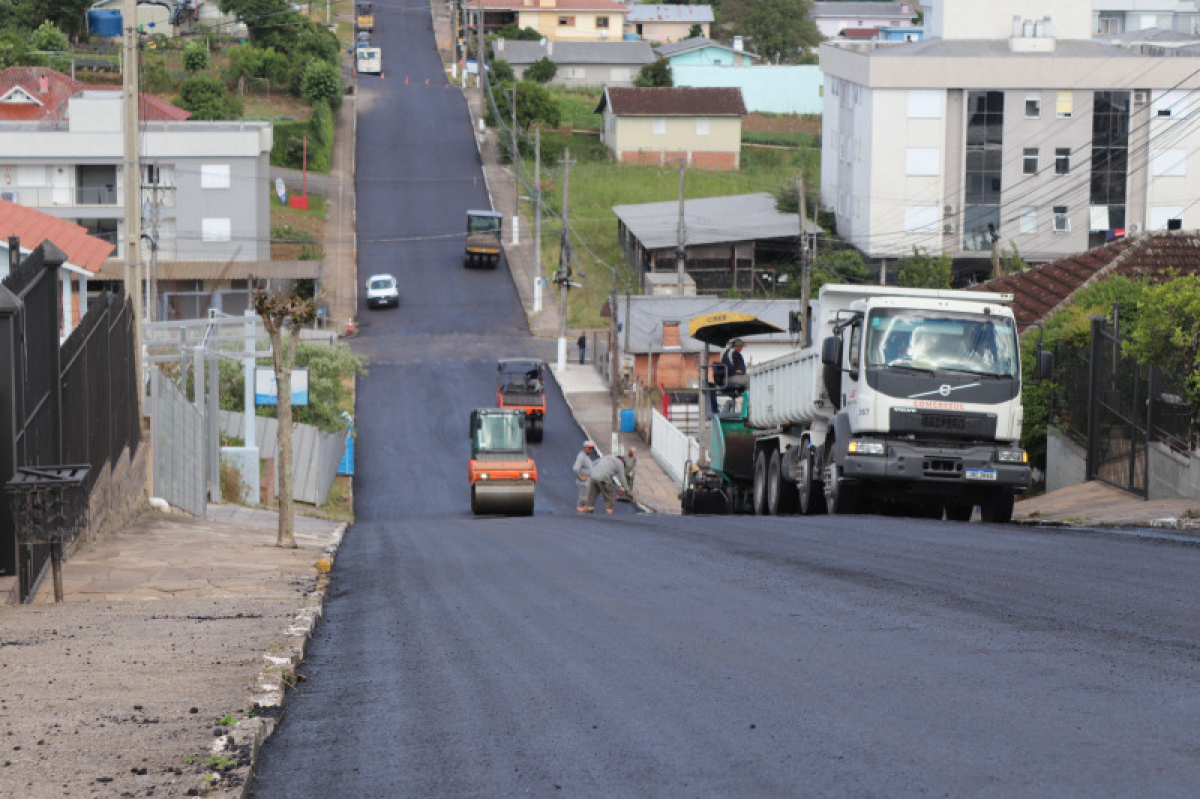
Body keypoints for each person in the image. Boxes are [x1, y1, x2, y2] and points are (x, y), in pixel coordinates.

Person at [710, 338, 748, 414]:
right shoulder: (734, 353)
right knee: (751, 380)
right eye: (741, 347)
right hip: (731, 378)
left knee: (748, 379)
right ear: (737, 346)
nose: (741, 349)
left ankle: (746, 405)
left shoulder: (728, 352)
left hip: (728, 377)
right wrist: (736, 371)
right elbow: (734, 368)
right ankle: (748, 407)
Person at [573, 440, 598, 512]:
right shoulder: (581, 456)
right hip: (583, 482)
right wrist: (580, 477)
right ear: (584, 447)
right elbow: (575, 468)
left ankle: (584, 515)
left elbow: (589, 466)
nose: (591, 450)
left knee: (586, 499)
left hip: (587, 481)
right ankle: (581, 515)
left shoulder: (586, 456)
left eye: (592, 448)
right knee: (584, 499)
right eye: (589, 448)